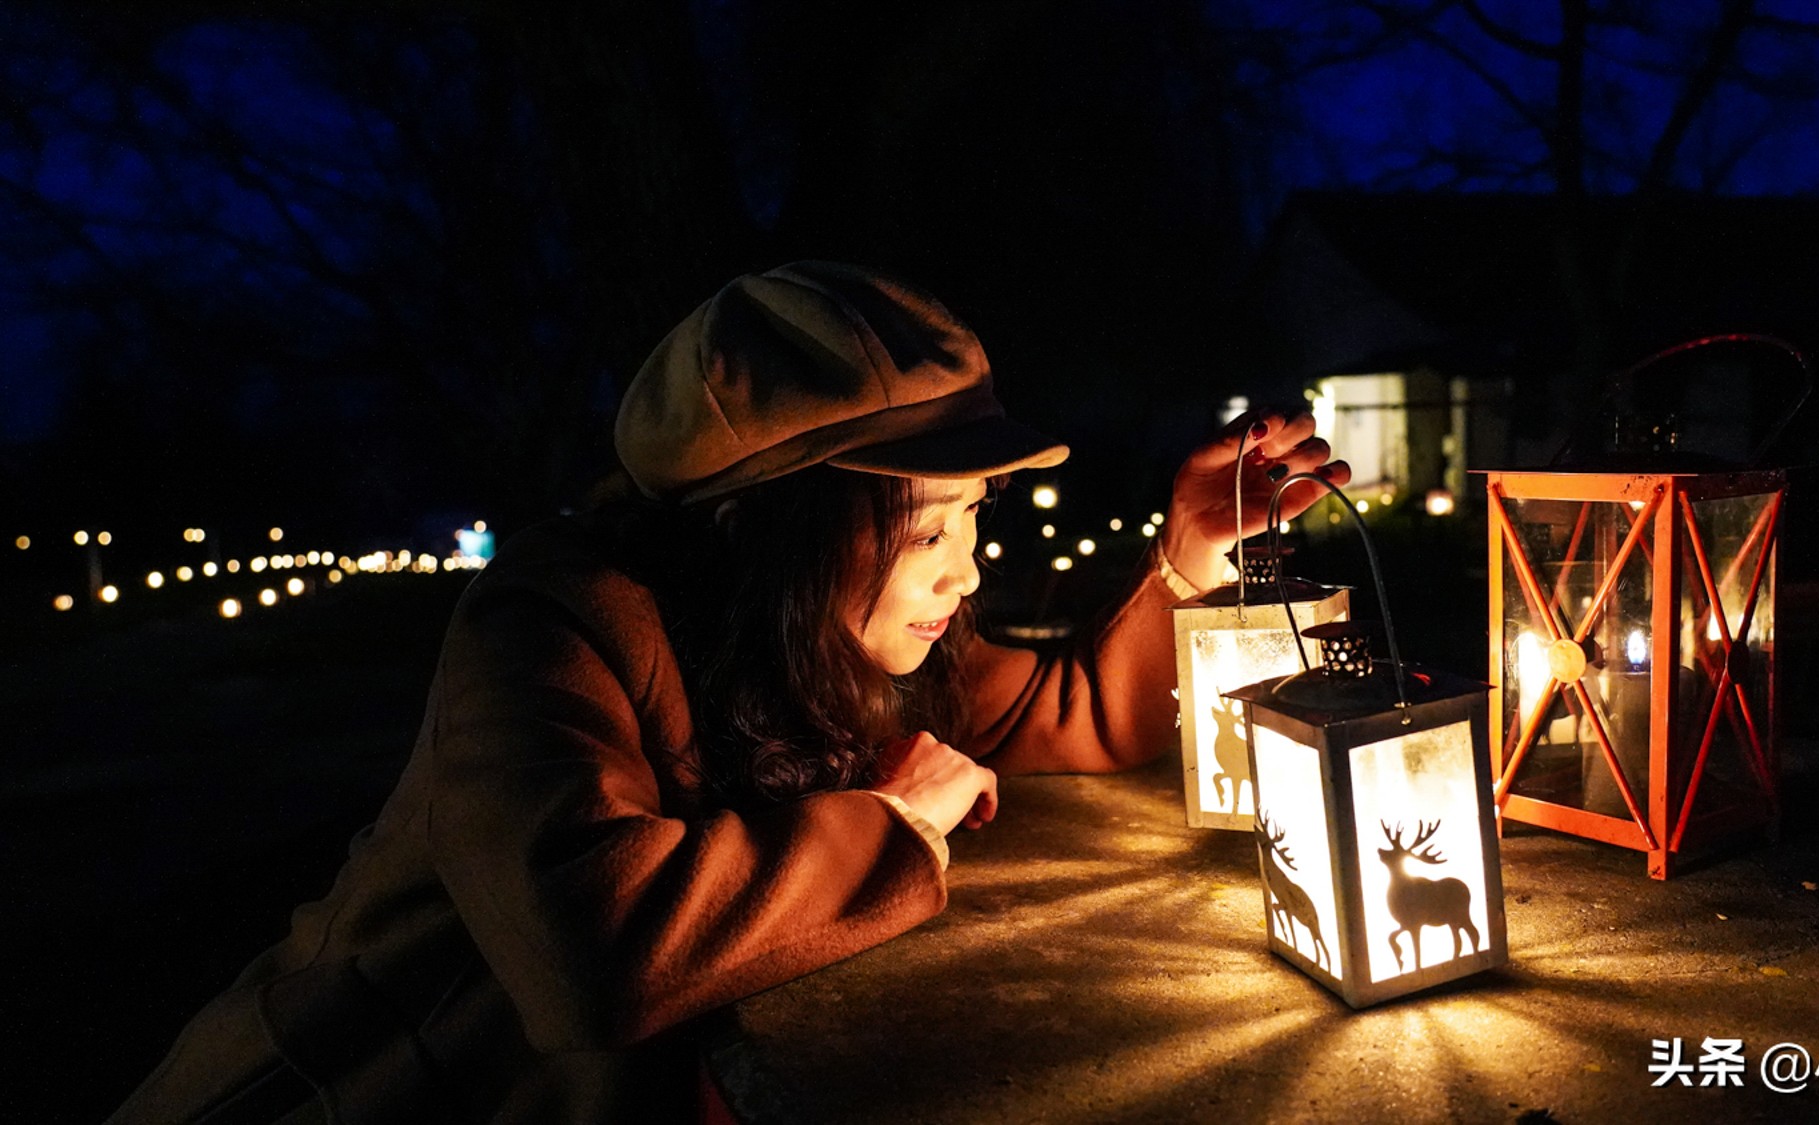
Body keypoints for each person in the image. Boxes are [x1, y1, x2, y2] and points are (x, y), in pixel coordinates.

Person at [108, 261, 1343, 1123]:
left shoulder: (851, 645)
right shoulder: (556, 623)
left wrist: (1186, 559)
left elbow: (1073, 713)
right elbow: (591, 947)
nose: (965, 574)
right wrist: (894, 824)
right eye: (925, 532)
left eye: (974, 519)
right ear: (790, 534)